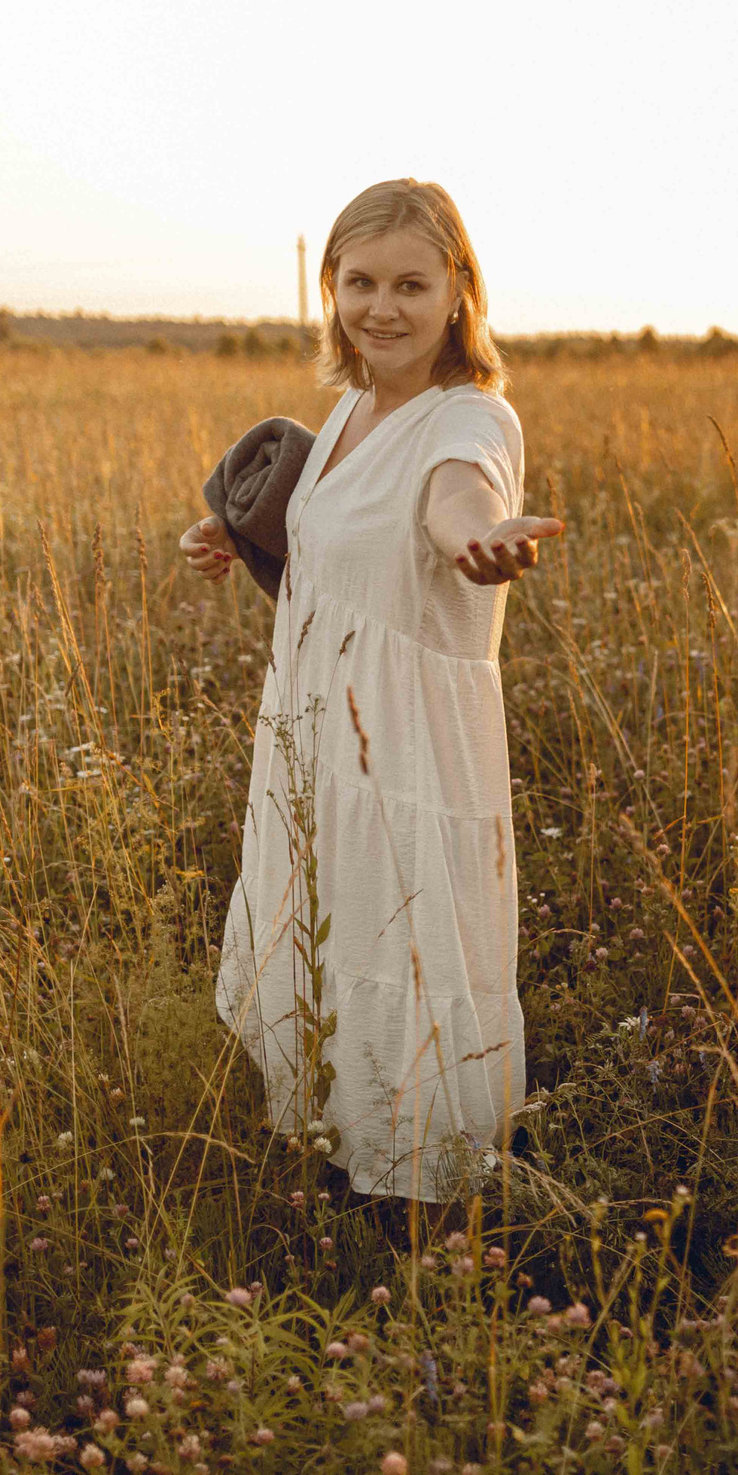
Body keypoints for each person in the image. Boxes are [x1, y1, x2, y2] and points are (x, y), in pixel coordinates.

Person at [181, 178, 561, 1222]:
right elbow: (341, 536)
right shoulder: (349, 409)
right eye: (359, 283)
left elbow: (456, 497)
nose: (381, 308)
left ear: (458, 293)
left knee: (402, 945)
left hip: (399, 749)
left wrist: (478, 541)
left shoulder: (469, 415)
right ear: (331, 289)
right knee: (324, 938)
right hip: (310, 731)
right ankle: (336, 1174)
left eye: (409, 284)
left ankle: (424, 1211)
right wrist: (233, 535)